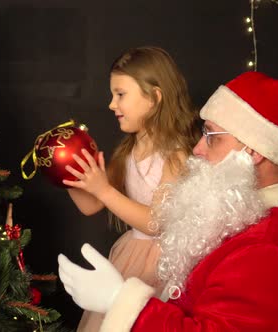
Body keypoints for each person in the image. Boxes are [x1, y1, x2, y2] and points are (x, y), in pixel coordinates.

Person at [58, 71, 278, 331]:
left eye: (211, 136)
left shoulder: (267, 252)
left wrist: (119, 301)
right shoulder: (237, 215)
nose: (197, 149)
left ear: (252, 151)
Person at [62, 46, 199, 331]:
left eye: (120, 94)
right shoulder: (128, 150)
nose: (112, 104)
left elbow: (155, 223)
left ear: (154, 98)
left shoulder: (176, 156)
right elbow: (91, 205)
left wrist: (103, 190)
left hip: (164, 265)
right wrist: (64, 167)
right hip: (131, 259)